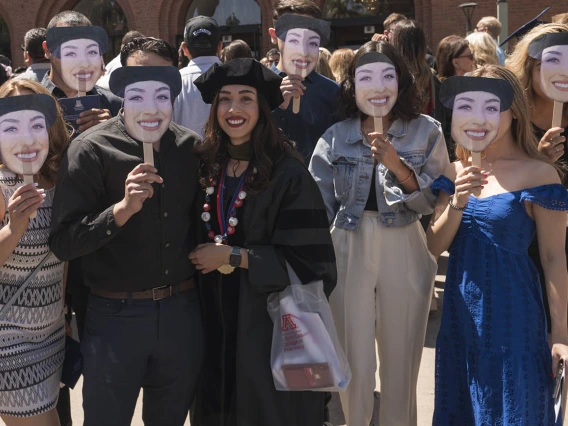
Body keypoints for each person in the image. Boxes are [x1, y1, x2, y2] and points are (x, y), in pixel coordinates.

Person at [50, 52, 203, 424]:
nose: (151, 109)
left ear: (173, 100)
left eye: (162, 98)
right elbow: (64, 241)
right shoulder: (90, 149)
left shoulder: (191, 148)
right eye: (137, 97)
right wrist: (121, 209)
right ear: (122, 99)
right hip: (114, 315)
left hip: (181, 310)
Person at [188, 57, 336, 426]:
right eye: (224, 99)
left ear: (263, 108)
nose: (233, 109)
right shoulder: (206, 165)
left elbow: (313, 263)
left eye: (246, 99)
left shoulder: (287, 173)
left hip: (267, 325)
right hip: (212, 324)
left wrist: (234, 256)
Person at [309, 40, 449, 426]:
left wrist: (398, 166)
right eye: (366, 77)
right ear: (352, 86)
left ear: (401, 82)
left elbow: (432, 202)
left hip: (404, 240)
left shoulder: (426, 131)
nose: (378, 86)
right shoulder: (334, 137)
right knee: (352, 355)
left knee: (402, 357)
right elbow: (318, 206)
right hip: (347, 245)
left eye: (388, 75)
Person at [427, 65, 568, 426]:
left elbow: (553, 258)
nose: (478, 117)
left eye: (491, 106)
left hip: (515, 321)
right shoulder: (455, 171)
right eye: (467, 107)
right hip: (460, 320)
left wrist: (560, 334)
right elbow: (433, 244)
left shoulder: (539, 174)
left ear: (513, 110)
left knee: (514, 410)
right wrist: (458, 200)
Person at [0, 79, 69, 426]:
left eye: (35, 123)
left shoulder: (58, 178)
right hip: (10, 340)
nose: (25, 136)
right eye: (11, 126)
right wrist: (13, 229)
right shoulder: (0, 185)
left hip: (51, 332)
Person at [507, 23, 568, 333]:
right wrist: (537, 160)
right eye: (552, 60)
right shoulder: (509, 117)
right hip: (526, 249)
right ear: (530, 66)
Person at [269, 0, 340, 162]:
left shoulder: (332, 92)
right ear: (274, 36)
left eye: (311, 41)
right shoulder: (255, 88)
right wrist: (275, 106)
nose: (302, 50)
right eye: (293, 39)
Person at [41, 11, 122, 132]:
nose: (83, 63)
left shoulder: (114, 104)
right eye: (70, 53)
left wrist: (113, 132)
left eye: (91, 52)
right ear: (47, 50)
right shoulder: (31, 104)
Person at [173, 16, 223, 136]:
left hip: (185, 153)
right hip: (226, 154)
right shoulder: (235, 77)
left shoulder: (175, 80)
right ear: (220, 47)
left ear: (184, 49)